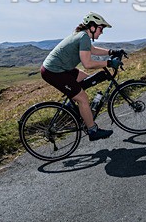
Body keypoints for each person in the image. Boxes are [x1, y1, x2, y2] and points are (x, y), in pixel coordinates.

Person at [40, 12, 123, 141]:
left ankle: (72, 107)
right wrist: (109, 63)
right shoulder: (83, 37)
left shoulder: (83, 36)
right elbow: (87, 64)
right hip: (54, 72)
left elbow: (93, 50)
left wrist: (112, 52)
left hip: (60, 69)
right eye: (101, 28)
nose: (102, 32)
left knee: (85, 79)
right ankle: (92, 130)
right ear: (92, 27)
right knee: (83, 98)